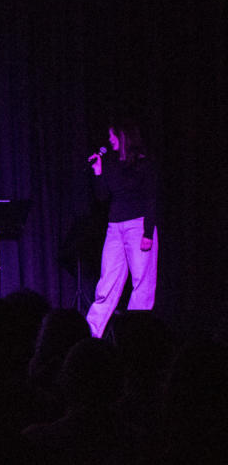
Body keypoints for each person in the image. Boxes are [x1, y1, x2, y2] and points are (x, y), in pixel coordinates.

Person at [85, 121, 158, 338]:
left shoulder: (143, 163)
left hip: (138, 226)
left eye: (112, 135)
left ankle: (135, 335)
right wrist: (98, 172)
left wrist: (148, 233)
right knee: (107, 282)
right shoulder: (111, 164)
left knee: (142, 283)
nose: (109, 140)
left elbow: (152, 199)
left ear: (122, 135)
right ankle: (92, 332)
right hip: (115, 228)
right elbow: (102, 197)